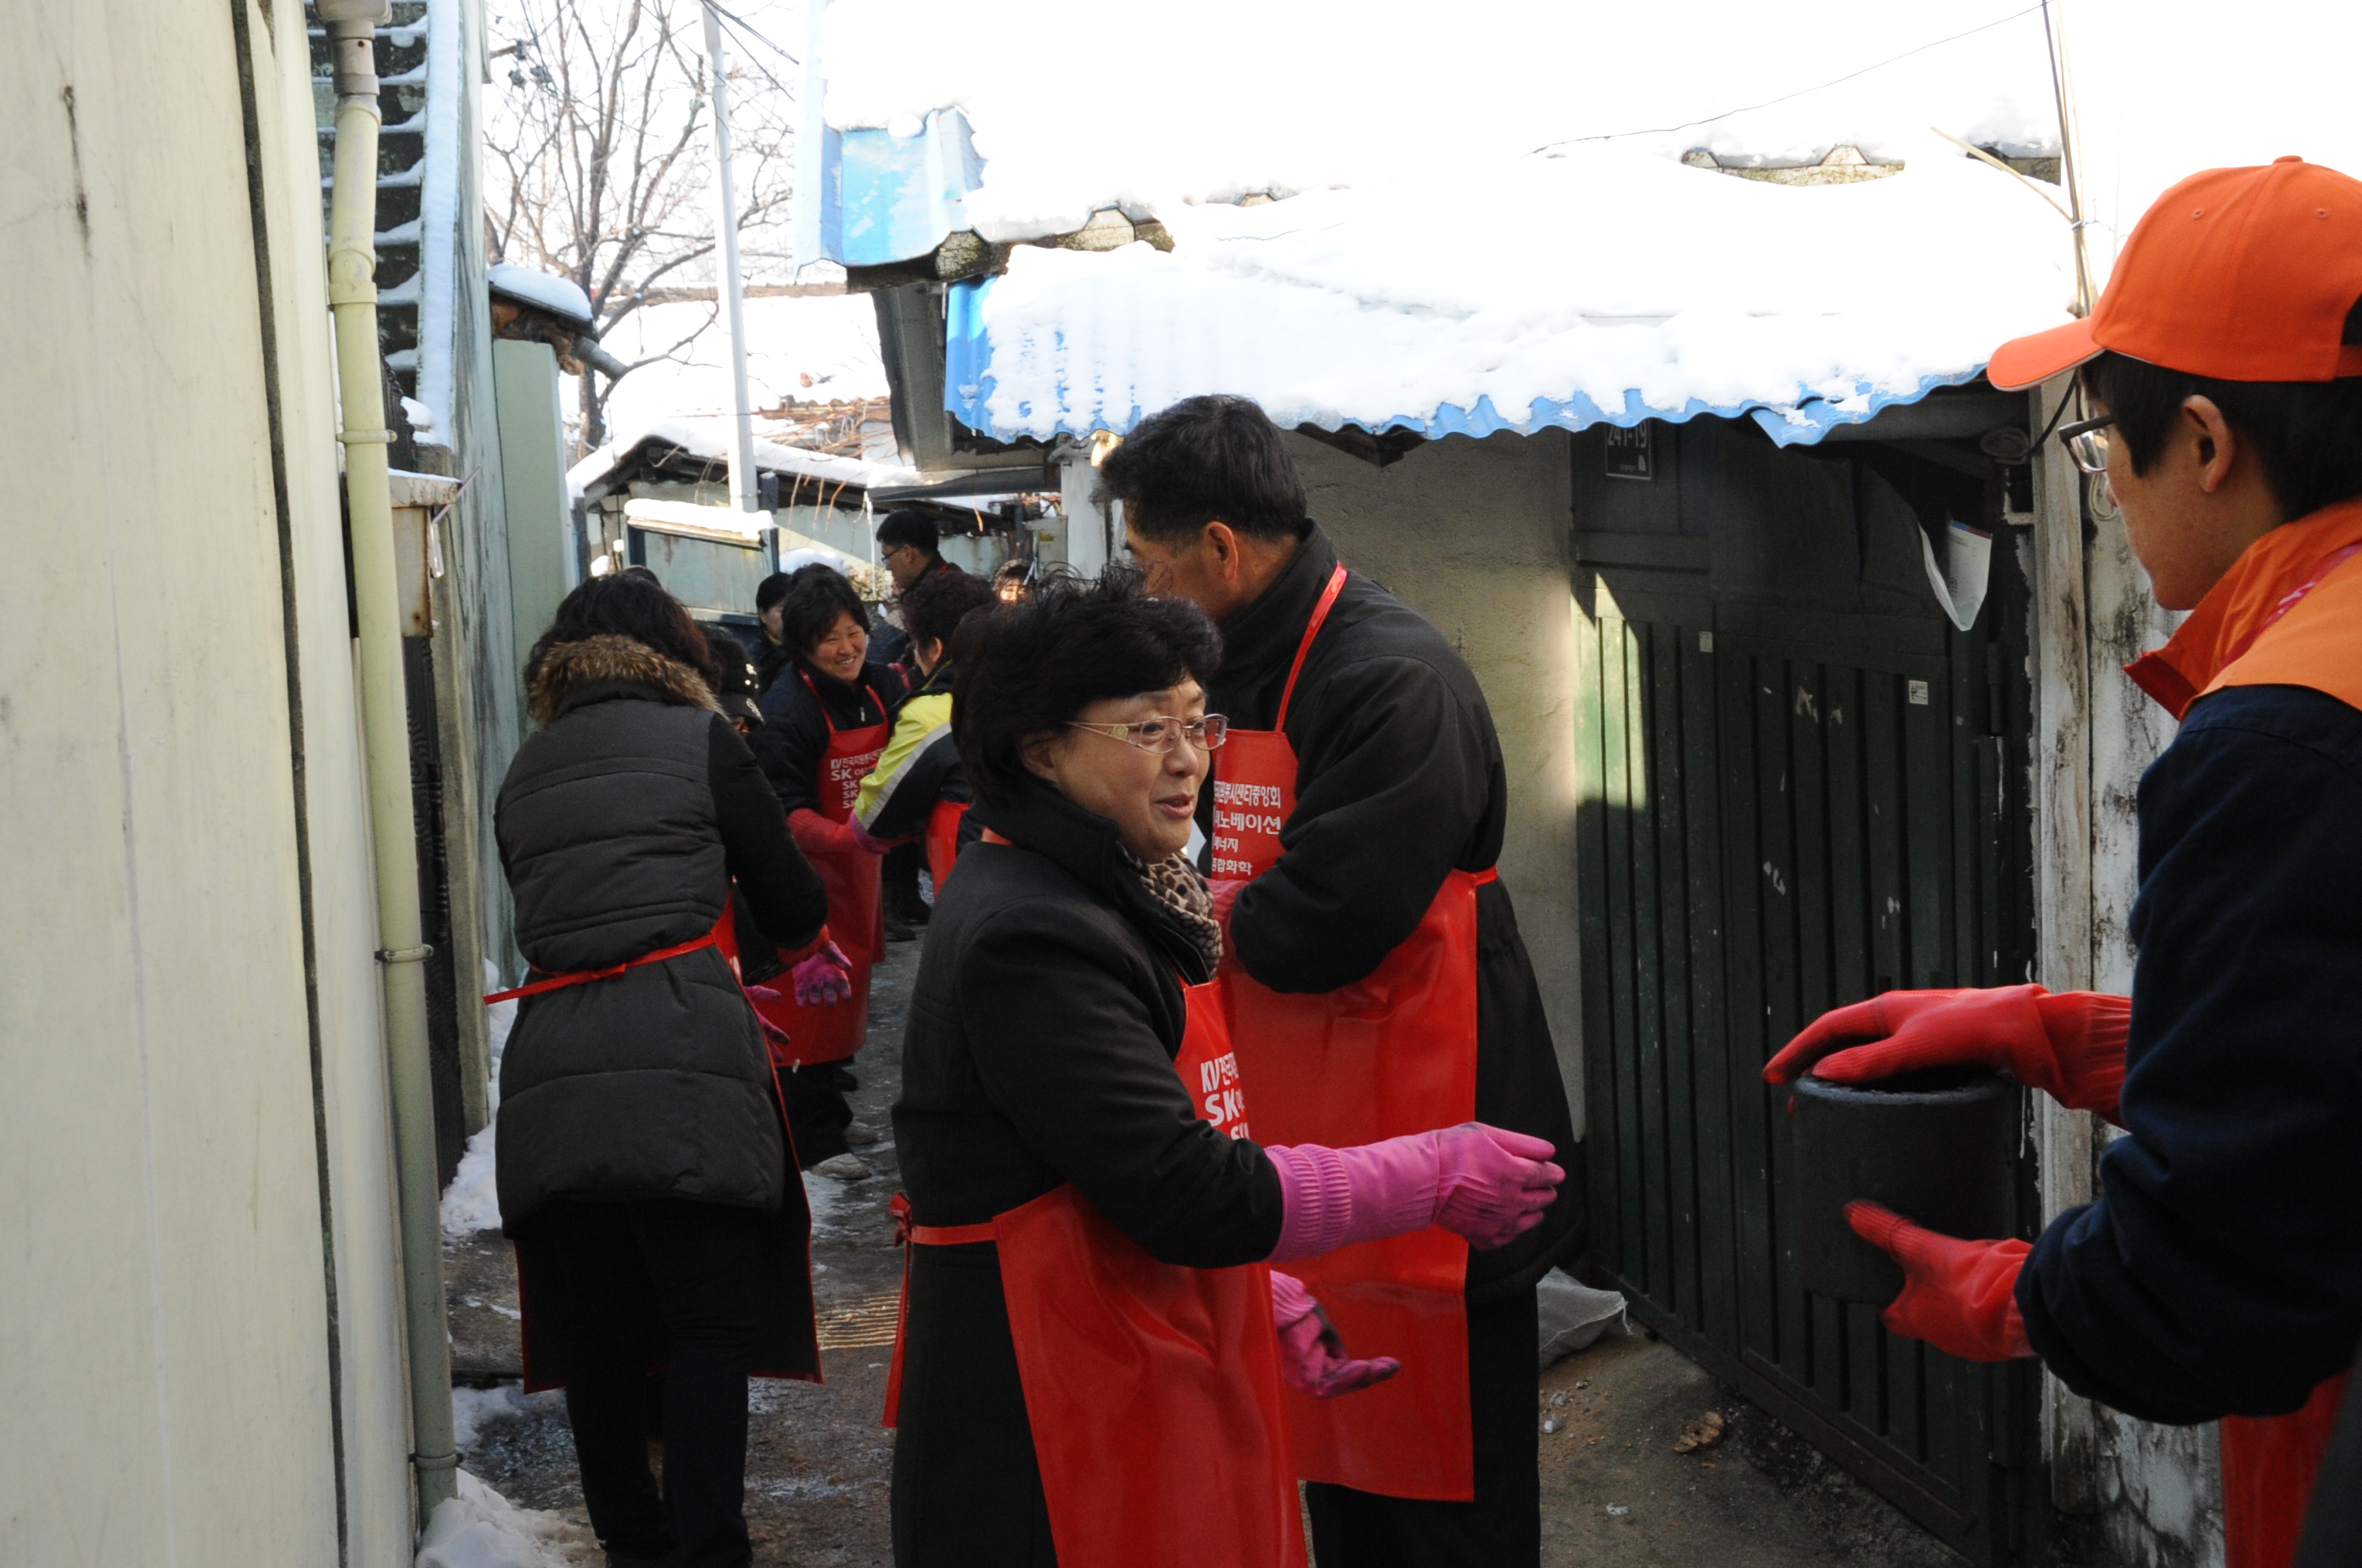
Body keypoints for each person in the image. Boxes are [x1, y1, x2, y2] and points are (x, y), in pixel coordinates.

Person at [1765, 158, 2362, 1568]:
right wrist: (2057, 1032)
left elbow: (2224, 1276)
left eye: (2097, 440)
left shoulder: (2284, 733)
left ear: (2204, 442)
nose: (2098, 478)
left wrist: (2008, 1294)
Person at [887, 565, 1565, 1568]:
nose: (1187, 762)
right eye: (1145, 730)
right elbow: (1181, 1185)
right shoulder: (1028, 931)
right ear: (1039, 752)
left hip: (1140, 1345)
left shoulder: (1113, 886)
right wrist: (1427, 1173)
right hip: (1048, 1397)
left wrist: (1261, 1294)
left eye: (1198, 724)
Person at [1095, 395, 1581, 1566]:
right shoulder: (1222, 668)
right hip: (1317, 1144)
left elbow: (1325, 919)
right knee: (1341, 1473)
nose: (1142, 590)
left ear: (1221, 547)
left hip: (1441, 1132)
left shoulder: (1389, 676)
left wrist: (1182, 914)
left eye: (1150, 564)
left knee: (1449, 1506)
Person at [490, 573, 833, 1568]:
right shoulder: (702, 742)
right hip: (681, 1048)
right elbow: (792, 901)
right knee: (706, 1325)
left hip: (553, 1057)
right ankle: (708, 1548)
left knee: (597, 1334)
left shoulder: (527, 769)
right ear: (673, 654)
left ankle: (633, 1548)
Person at [751, 564, 905, 1173]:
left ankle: (832, 1119)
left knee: (846, 999)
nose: (847, 648)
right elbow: (781, 809)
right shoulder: (788, 708)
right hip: (807, 878)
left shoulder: (878, 688)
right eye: (830, 639)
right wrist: (845, 837)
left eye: (854, 632)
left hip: (859, 871)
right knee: (807, 1006)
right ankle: (812, 1141)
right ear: (804, 647)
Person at [854, 564, 999, 896]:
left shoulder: (930, 716)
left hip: (972, 896)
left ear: (934, 648)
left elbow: (872, 820)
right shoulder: (1029, 692)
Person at [869, 508, 961, 674]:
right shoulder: (959, 586)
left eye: (887, 557)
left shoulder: (938, 600)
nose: (888, 567)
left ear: (907, 553)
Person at [750, 572, 798, 696]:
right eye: (782, 610)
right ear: (763, 615)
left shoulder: (811, 654)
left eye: (794, 609)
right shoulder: (753, 661)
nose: (789, 617)